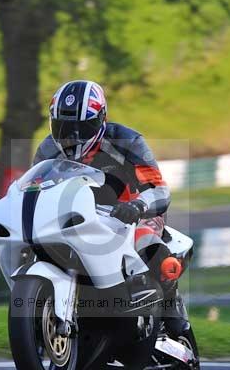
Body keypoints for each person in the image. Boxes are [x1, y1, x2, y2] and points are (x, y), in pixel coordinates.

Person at [33, 79, 189, 337]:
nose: (72, 137)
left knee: (147, 243)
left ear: (101, 119)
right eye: (63, 127)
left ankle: (173, 316)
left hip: (130, 216)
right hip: (74, 220)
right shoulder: (47, 149)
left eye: (82, 127)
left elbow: (159, 189)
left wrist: (138, 205)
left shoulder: (127, 141)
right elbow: (34, 189)